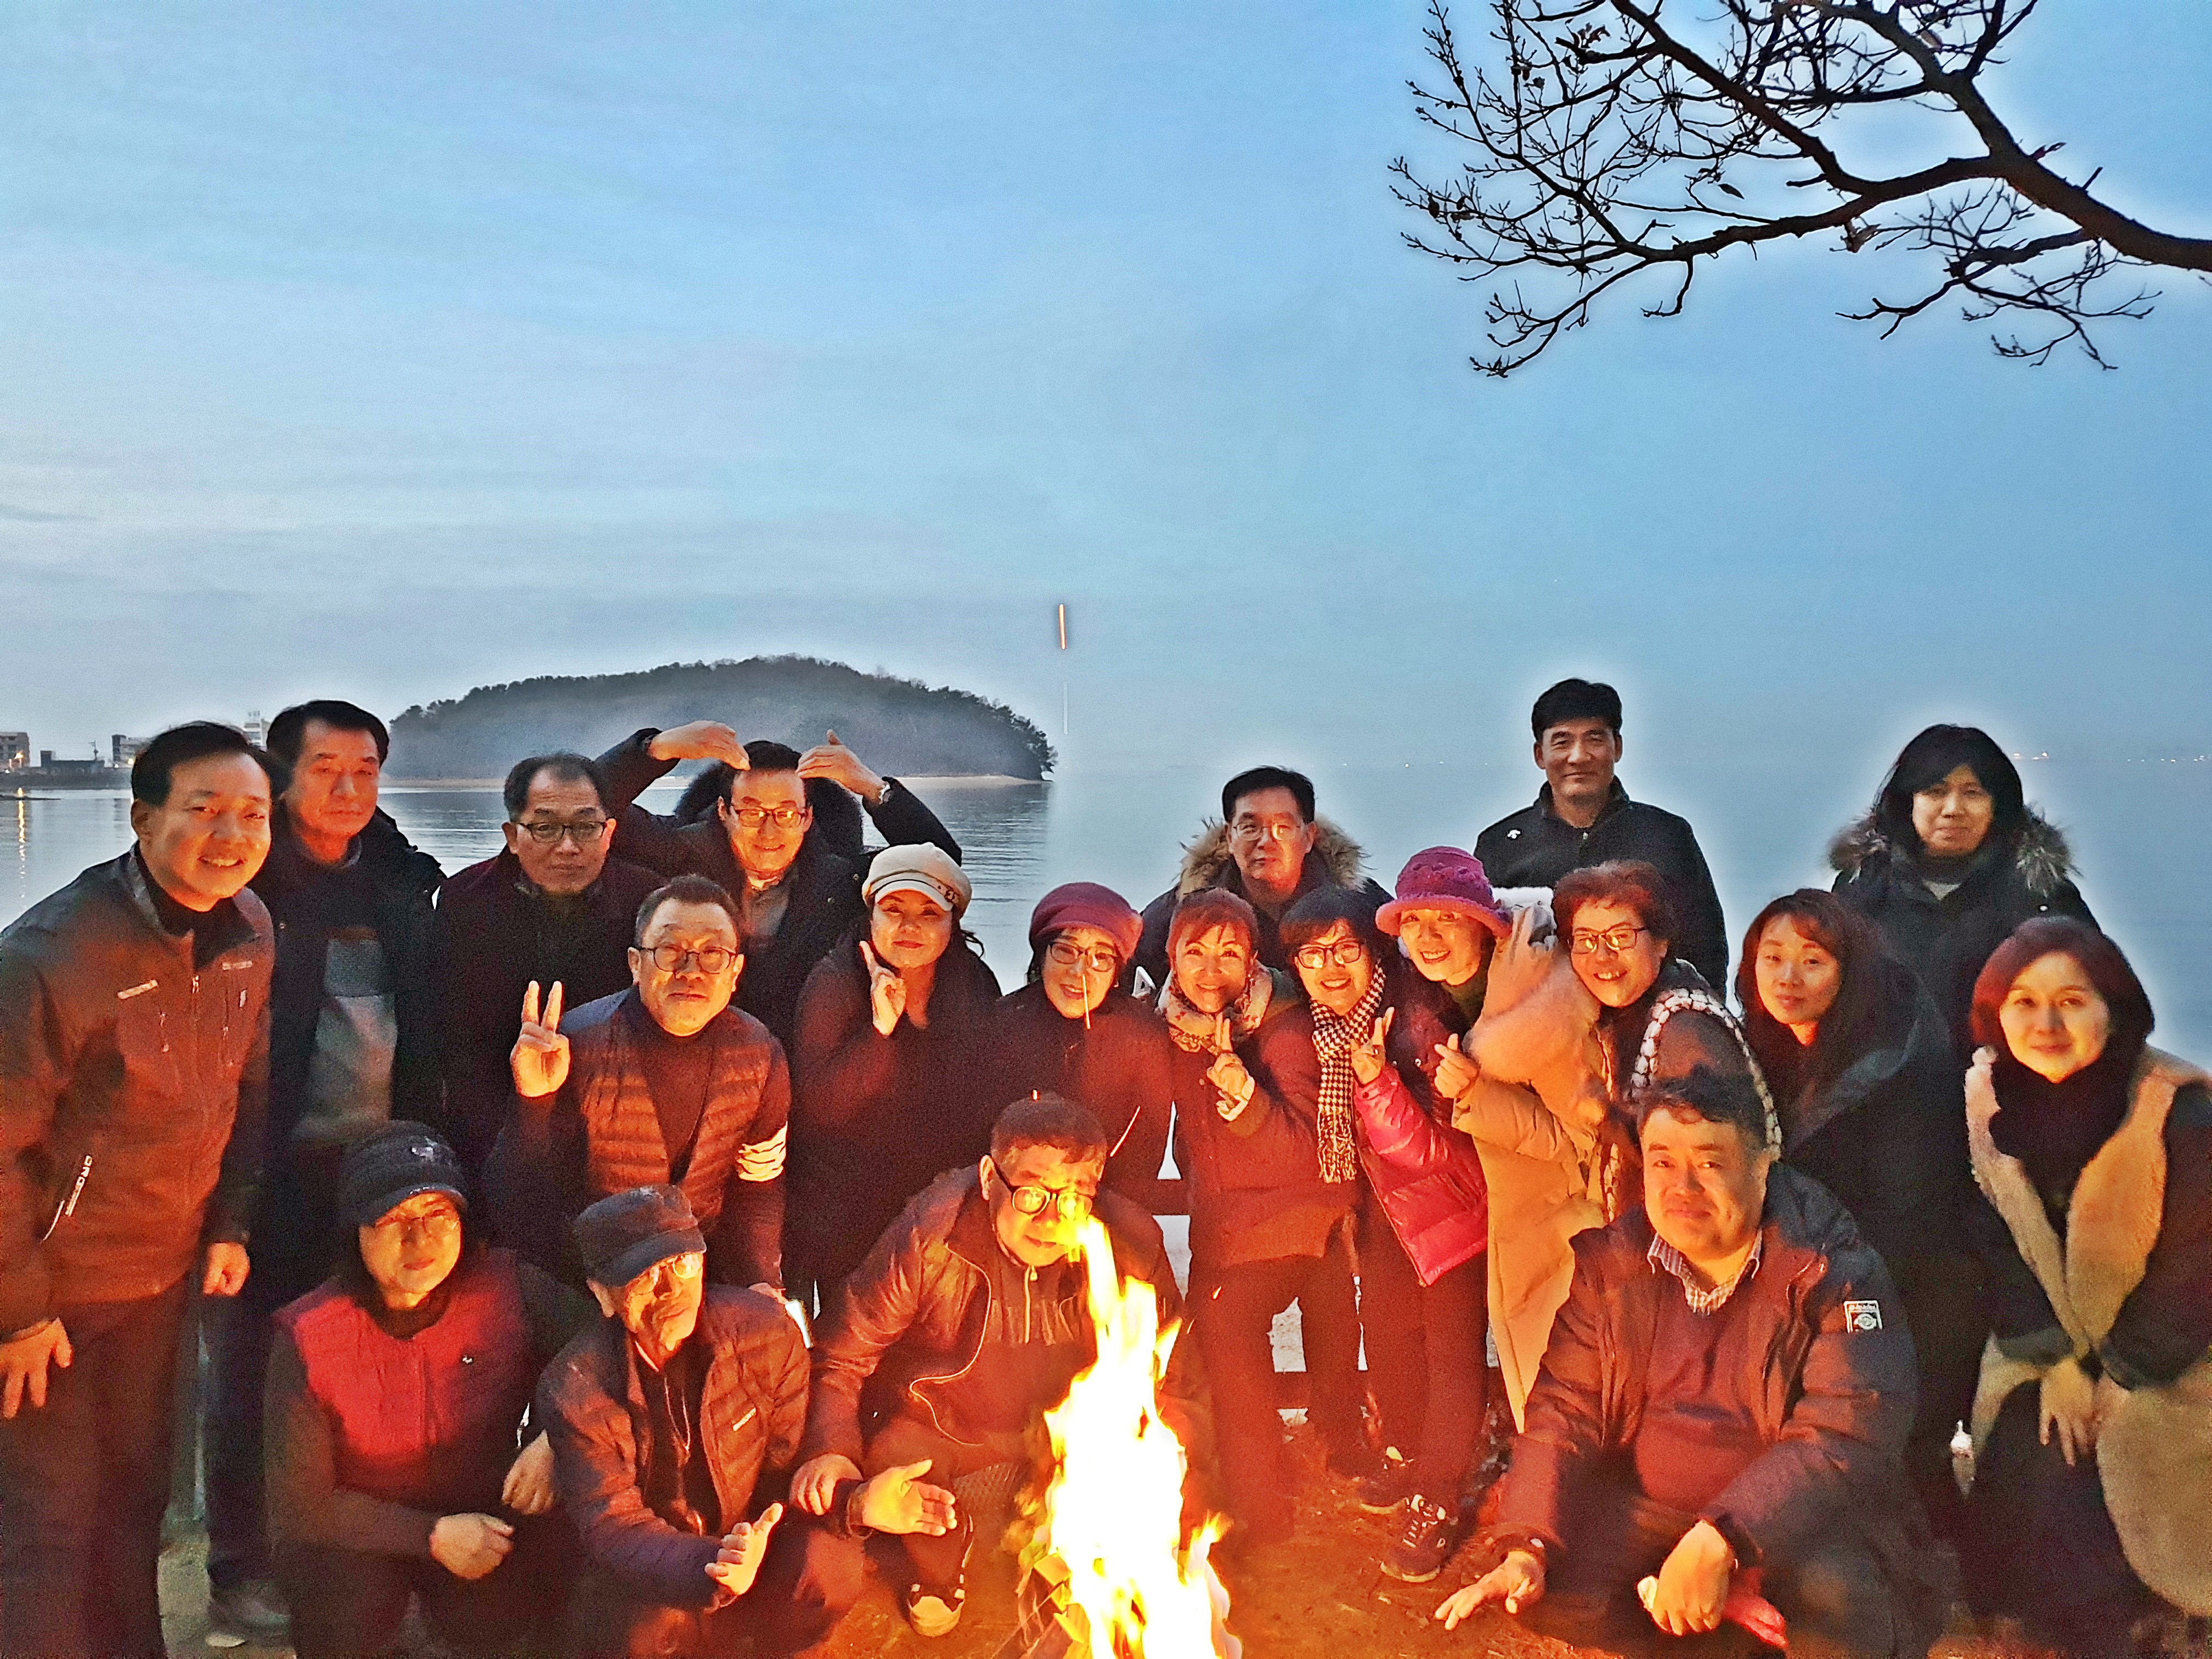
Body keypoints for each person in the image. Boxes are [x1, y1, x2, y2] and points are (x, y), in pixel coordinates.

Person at [1436, 1065, 1946, 1658]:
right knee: (1547, 1584)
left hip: (1784, 1527)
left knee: (1841, 1605)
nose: (1683, 1187)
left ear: (1761, 1168)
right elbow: (1563, 1408)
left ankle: (1719, 1596)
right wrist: (1527, 1545)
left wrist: (1724, 1541)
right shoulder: (1616, 1263)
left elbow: (1849, 1428)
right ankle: (1714, 1616)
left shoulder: (1826, 1268)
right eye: (1662, 1162)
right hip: (1656, 1516)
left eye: (1709, 1163)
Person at [0, 721, 275, 1659]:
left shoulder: (250, 930)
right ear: (143, 817)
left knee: (136, 1501)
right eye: (204, 809)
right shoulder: (52, 954)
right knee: (46, 1526)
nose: (231, 834)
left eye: (252, 813)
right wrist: (19, 1310)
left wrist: (230, 1221)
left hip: (161, 1275)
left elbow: (246, 1087)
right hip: (54, 1289)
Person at [206, 696, 446, 1636]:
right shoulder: (240, 884)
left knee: (372, 1371)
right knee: (251, 1372)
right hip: (270, 1168)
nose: (349, 789)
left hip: (380, 1169)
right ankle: (239, 1565)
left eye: (366, 770)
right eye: (326, 769)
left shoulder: (399, 878)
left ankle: (361, 1556)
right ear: (281, 776)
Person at [789, 1094, 1186, 1637]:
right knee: (895, 1455)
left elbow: (1173, 1379)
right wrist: (831, 1452)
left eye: (1074, 1198)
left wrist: (1164, 1488)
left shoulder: (1129, 1246)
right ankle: (940, 1565)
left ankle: (1066, 1565)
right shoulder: (930, 1237)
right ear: (987, 1177)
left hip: (1061, 1435)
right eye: (1032, 1194)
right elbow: (842, 1354)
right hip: (945, 1428)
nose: (1052, 1220)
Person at [538, 1184, 951, 1657]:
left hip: (757, 1535)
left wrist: (853, 1503)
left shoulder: (766, 1333)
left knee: (828, 1568)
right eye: (645, 1276)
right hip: (667, 1563)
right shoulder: (575, 1390)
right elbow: (615, 1527)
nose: (672, 1290)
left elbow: (791, 1464)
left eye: (683, 1263)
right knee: (636, 1634)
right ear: (603, 1296)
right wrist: (712, 1564)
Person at [1957, 919, 2212, 1653]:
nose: (2046, 1024)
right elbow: (1989, 1237)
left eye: (2072, 1001)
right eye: (2024, 1002)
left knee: (2112, 1465)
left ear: (2115, 1008)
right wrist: (2060, 1362)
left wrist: (2119, 1375)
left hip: (2174, 1355)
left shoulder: (2179, 1111)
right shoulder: (1989, 1101)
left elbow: (2196, 1271)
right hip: (2052, 1347)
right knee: (2033, 1443)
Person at [266, 1122, 591, 1658]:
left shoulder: (506, 1287)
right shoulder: (310, 1334)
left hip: (483, 1512)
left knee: (532, 1583)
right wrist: (431, 1535)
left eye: (438, 1215)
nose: (419, 1241)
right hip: (361, 1532)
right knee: (339, 1599)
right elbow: (304, 1505)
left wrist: (558, 1437)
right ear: (356, 1231)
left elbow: (603, 1348)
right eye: (394, 1220)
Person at [1265, 888, 1491, 1583]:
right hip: (1390, 1217)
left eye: (1345, 950)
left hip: (1452, 1213)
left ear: (1375, 953)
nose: (1330, 968)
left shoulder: (1415, 1025)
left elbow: (1433, 1152)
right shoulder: (1328, 1031)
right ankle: (1413, 1458)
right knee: (1390, 1341)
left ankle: (1440, 1498)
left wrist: (1375, 1079)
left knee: (1450, 1356)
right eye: (1311, 956)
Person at [1736, 890, 1980, 1531]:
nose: (1788, 978)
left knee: (1901, 1476)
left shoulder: (1896, 1060)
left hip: (1911, 1289)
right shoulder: (1767, 1048)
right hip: (1830, 1275)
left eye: (1812, 961)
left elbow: (1911, 1210)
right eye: (1772, 958)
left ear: (1850, 971)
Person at [1162, 888, 1368, 1547]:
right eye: (1195, 952)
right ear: (1171, 959)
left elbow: (1313, 1152)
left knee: (1230, 1336)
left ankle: (1261, 1508)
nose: (1211, 970)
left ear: (1252, 962)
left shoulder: (1286, 1030)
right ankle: (1303, 1453)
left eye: (1229, 954)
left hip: (1298, 1222)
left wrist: (1247, 1098)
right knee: (1224, 1343)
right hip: (1228, 1224)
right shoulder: (1175, 1027)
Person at [1379, 849, 1607, 1432]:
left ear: (1484, 924)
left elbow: (1581, 1143)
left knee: (1572, 1391)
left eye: (1447, 919)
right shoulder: (1445, 996)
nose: (1428, 937)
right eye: (1413, 921)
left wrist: (1476, 1096)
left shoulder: (1537, 1004)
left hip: (1568, 1226)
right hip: (1518, 1221)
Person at [489, 875, 788, 1295]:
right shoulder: (574, 1045)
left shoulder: (761, 1054)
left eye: (713, 954)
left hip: (700, 1279)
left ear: (735, 970)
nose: (691, 971)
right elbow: (519, 1197)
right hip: (593, 1281)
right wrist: (534, 1102)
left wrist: (760, 1281)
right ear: (635, 963)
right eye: (670, 951)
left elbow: (758, 1184)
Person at [594, 724, 961, 1049]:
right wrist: (657, 749)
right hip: (683, 1045)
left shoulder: (839, 878)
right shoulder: (679, 852)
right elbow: (586, 807)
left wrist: (871, 786)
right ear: (724, 812)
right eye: (752, 813)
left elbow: (940, 862)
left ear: (807, 817)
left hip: (803, 1056)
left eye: (786, 813)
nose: (769, 832)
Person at [786, 844, 1000, 1315]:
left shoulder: (973, 984)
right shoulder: (834, 984)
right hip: (849, 1205)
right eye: (894, 910)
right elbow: (820, 1111)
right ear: (871, 916)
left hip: (944, 1200)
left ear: (952, 923)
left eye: (929, 913)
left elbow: (989, 1092)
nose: (909, 927)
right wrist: (879, 1032)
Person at [437, 752, 663, 1175]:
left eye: (585, 826)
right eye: (545, 828)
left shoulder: (648, 903)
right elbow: (446, 1034)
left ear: (609, 833)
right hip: (490, 1132)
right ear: (512, 835)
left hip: (615, 1133)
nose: (568, 846)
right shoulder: (465, 902)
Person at [1831, 724, 2095, 1052]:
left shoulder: (2041, 895)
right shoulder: (1862, 887)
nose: (1953, 809)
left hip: (2007, 1079)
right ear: (1908, 801)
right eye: (1935, 792)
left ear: (1998, 805)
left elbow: (2099, 996)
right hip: (1878, 1081)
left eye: (1973, 793)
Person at [1475, 678, 1730, 991]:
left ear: (1617, 748)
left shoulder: (1666, 835)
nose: (1578, 757)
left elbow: (1706, 950)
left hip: (1651, 1015)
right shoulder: (1500, 845)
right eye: (1562, 742)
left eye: (1594, 739)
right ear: (1539, 755)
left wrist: (1696, 1011)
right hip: (1534, 1018)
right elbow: (1478, 952)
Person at [1555, 860, 1774, 1221]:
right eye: (1586, 940)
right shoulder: (1627, 1014)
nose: (1602, 956)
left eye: (1621, 937)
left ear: (1661, 943)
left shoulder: (1686, 1035)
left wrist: (1604, 1115)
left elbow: (1700, 1170)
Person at [989, 883, 1182, 1212]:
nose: (1080, 971)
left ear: (1117, 971)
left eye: (1101, 958)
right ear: (1042, 956)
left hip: (1104, 1208)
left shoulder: (1142, 1038)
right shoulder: (1000, 1025)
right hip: (1017, 1206)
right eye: (1066, 950)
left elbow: (1145, 1152)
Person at [1132, 764, 1390, 992]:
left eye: (1283, 828)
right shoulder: (1183, 912)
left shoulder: (1361, 905)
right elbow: (1125, 973)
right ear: (1230, 837)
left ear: (1309, 837)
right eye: (1250, 827)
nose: (1266, 841)